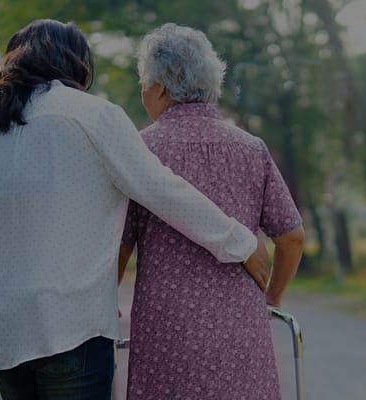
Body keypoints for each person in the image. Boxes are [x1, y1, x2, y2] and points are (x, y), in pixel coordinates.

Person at [0, 19, 269, 399]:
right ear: (74, 62)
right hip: (67, 322)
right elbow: (161, 189)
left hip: (0, 325)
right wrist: (240, 242)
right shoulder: (91, 114)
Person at [118, 23, 305, 399]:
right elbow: (292, 238)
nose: (143, 92)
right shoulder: (251, 149)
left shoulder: (137, 153)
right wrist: (272, 298)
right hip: (241, 334)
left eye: (144, 83)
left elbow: (118, 245)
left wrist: (105, 303)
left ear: (160, 88)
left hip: (165, 337)